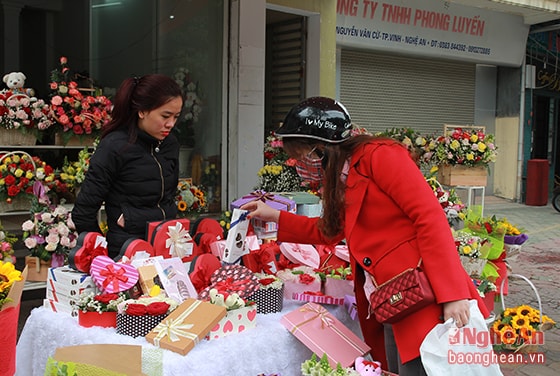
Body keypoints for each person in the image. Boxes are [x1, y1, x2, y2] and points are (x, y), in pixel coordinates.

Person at [241, 97, 489, 375]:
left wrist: (452, 294)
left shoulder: (380, 156)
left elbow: (430, 218)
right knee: (397, 368)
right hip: (391, 298)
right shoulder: (341, 175)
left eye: (304, 155)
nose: (302, 164)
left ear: (324, 147)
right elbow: (330, 231)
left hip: (423, 291)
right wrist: (274, 216)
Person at [72, 74, 183, 259]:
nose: (171, 124)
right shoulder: (115, 146)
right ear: (142, 111)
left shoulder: (170, 144)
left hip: (168, 248)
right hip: (127, 252)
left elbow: (169, 198)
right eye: (165, 116)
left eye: (176, 116)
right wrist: (100, 255)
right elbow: (83, 212)